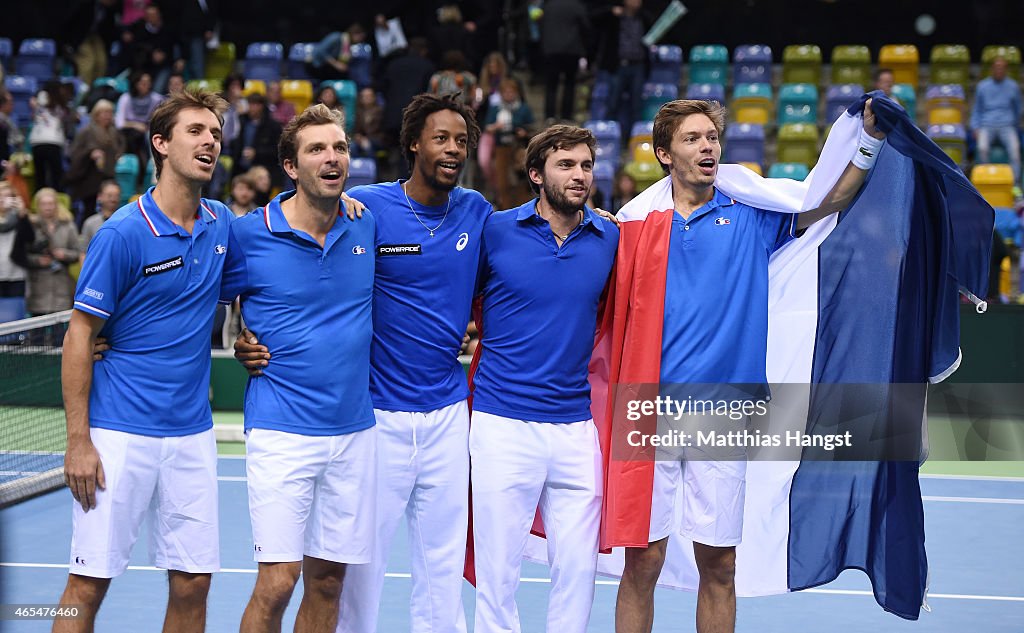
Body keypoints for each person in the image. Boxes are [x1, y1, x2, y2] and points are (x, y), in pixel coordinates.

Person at [611, 98, 885, 633]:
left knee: (720, 564)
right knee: (642, 561)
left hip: (724, 413)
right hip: (648, 411)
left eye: (711, 137)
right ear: (664, 154)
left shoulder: (752, 216)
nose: (707, 146)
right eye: (692, 138)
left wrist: (869, 142)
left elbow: (826, 201)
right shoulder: (633, 226)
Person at [235, 92, 491, 633]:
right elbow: (226, 281)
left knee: (440, 566)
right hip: (374, 417)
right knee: (348, 576)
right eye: (440, 138)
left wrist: (601, 217)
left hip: (447, 411)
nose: (452, 149)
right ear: (413, 145)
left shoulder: (476, 211)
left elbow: (524, 252)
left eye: (461, 140)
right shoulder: (366, 207)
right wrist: (243, 336)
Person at [53, 88, 231, 633]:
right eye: (196, 131)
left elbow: (285, 234)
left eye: (216, 134)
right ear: (160, 144)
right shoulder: (122, 234)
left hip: (192, 435)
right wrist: (79, 441)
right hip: (118, 435)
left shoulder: (222, 223)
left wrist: (343, 200)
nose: (210, 142)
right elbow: (79, 335)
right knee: (88, 583)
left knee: (194, 580)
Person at [223, 104, 378, 633]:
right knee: (278, 579)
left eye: (339, 148)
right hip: (280, 430)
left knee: (329, 580)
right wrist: (108, 334)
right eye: (317, 149)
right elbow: (186, 294)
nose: (331, 157)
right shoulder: (248, 234)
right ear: (291, 167)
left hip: (354, 432)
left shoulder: (366, 223)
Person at [470, 124, 618, 633]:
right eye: (565, 165)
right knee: (497, 572)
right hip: (500, 424)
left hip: (576, 430)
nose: (579, 175)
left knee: (579, 569)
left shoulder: (610, 237)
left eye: (585, 165)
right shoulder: (495, 231)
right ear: (536, 175)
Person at [16, 188, 79, 316]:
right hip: (38, 287)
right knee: (37, 332)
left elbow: (78, 253)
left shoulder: (68, 225)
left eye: (51, 204)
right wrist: (38, 261)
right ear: (38, 206)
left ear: (56, 205)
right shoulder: (30, 226)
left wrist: (64, 254)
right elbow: (20, 254)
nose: (48, 207)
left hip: (62, 287)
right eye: (44, 204)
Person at [64, 100, 124, 225]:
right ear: (97, 114)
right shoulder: (87, 131)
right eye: (104, 113)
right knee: (89, 209)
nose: (108, 116)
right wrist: (89, 153)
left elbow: (121, 146)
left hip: (108, 174)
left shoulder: (114, 132)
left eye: (110, 112)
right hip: (89, 177)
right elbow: (73, 152)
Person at [484, 78, 534, 209]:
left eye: (511, 91)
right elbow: (487, 128)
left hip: (518, 148)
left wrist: (524, 132)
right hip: (501, 148)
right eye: (505, 92)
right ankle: (505, 208)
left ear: (517, 92)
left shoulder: (523, 108)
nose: (508, 94)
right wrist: (496, 127)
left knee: (521, 180)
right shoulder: (495, 109)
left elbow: (532, 128)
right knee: (503, 182)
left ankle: (523, 209)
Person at [971, 56, 1022, 183]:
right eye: (997, 67)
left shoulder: (1013, 87)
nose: (999, 70)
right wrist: (975, 127)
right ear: (992, 69)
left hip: (1007, 126)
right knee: (982, 148)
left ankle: (1014, 185)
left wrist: (1014, 126)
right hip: (986, 125)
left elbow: (1018, 109)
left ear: (1006, 70)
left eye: (1002, 67)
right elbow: (977, 109)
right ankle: (986, 181)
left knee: (1015, 151)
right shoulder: (982, 86)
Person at [540, 0, 589, 121]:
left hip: (551, 49)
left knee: (551, 84)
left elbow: (541, 24)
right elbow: (586, 27)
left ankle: (549, 115)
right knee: (569, 83)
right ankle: (566, 116)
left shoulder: (549, 5)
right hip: (571, 50)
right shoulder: (577, 6)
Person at [78, 180, 121, 254]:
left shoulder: (126, 221)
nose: (113, 199)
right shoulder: (90, 223)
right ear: (99, 197)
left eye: (116, 195)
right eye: (109, 195)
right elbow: (83, 252)